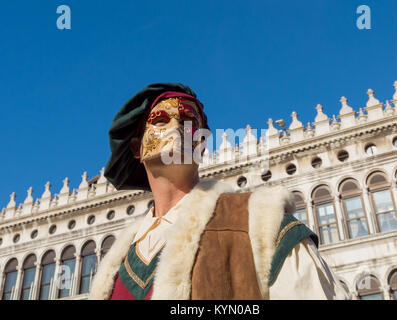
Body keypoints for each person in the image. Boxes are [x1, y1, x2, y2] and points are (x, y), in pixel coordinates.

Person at [88, 83, 349, 300]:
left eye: (189, 121)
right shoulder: (117, 264)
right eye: (161, 120)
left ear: (201, 145)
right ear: (137, 148)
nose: (178, 127)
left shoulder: (259, 224)